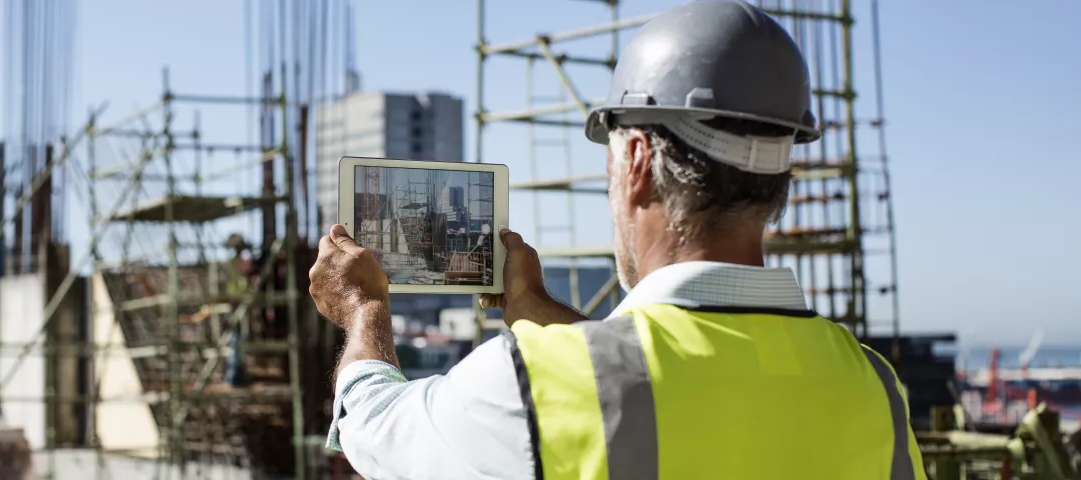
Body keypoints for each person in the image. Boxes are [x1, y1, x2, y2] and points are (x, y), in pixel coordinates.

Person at [307, 1, 924, 478]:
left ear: (635, 161)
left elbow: (377, 427)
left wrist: (363, 309)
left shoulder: (534, 382)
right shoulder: (875, 388)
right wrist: (540, 311)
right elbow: (673, 381)